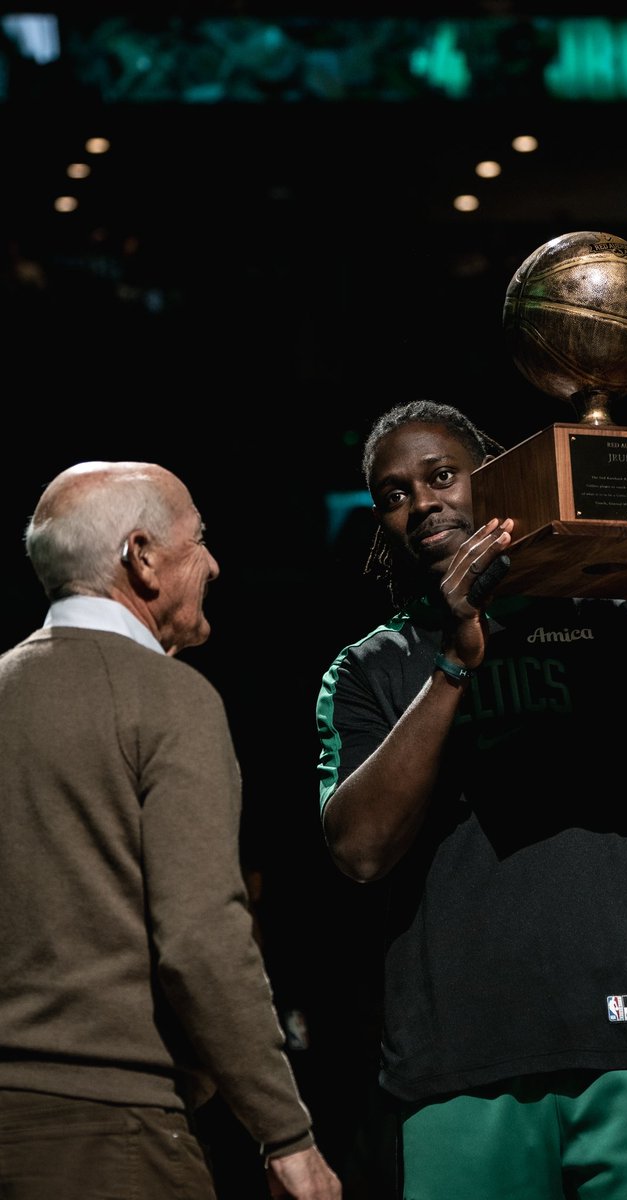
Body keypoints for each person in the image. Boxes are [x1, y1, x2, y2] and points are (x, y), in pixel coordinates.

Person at [314, 399, 627, 1199]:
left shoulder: (625, 624)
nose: (423, 502)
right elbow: (360, 851)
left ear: (497, 481)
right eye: (394, 494)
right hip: (461, 1073)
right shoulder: (372, 667)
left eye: (442, 476)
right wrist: (455, 664)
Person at [0, 461, 341, 1200]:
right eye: (199, 541)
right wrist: (287, 1134)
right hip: (111, 1136)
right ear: (142, 556)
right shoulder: (172, 699)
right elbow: (200, 936)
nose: (214, 564)